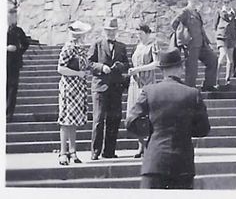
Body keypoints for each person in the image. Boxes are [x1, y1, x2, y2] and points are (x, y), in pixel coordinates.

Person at [126, 47, 210, 189]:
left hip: (154, 161)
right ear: (181, 68)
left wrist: (151, 128)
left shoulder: (149, 91)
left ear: (162, 70)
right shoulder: (192, 93)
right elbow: (203, 129)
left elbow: (131, 122)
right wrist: (185, 128)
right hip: (182, 163)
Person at [88, 17, 129, 160]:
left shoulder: (122, 47)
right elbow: (89, 63)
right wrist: (101, 67)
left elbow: (127, 65)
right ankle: (95, 151)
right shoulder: (97, 44)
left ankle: (109, 151)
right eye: (108, 30)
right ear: (104, 31)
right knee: (98, 119)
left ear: (116, 31)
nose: (111, 33)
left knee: (114, 119)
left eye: (113, 31)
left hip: (116, 87)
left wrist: (120, 66)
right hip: (100, 86)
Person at [57, 20, 92, 165]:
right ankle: (63, 152)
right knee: (66, 121)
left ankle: (73, 151)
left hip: (78, 88)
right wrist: (78, 73)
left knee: (73, 121)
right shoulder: (69, 48)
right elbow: (60, 68)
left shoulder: (79, 49)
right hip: (69, 87)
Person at [171, 0, 218, 91]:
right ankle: (190, 89)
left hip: (201, 44)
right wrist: (183, 37)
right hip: (191, 45)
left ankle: (208, 85)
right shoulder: (185, 12)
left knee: (213, 59)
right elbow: (174, 24)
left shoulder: (196, 12)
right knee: (192, 68)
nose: (195, 0)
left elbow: (201, 29)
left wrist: (207, 42)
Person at [127, 23, 159, 158]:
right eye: (137, 34)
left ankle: (150, 145)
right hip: (135, 84)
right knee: (135, 115)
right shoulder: (137, 47)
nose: (139, 36)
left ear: (147, 33)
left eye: (141, 34)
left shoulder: (153, 45)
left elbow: (156, 63)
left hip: (148, 83)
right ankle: (140, 145)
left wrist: (139, 69)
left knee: (148, 115)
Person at [6, 3, 30, 122]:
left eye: (15, 16)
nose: (14, 19)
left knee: (12, 89)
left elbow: (25, 43)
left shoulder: (18, 30)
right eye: (12, 16)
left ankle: (8, 114)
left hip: (14, 64)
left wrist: (18, 51)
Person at [214, 0, 236, 85]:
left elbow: (235, 25)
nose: (226, 4)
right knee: (222, 55)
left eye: (228, 2)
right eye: (225, 2)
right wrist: (219, 33)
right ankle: (216, 78)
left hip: (231, 37)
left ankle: (228, 78)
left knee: (230, 58)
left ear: (231, 2)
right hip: (222, 36)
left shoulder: (234, 12)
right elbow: (215, 25)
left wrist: (234, 35)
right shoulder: (219, 11)